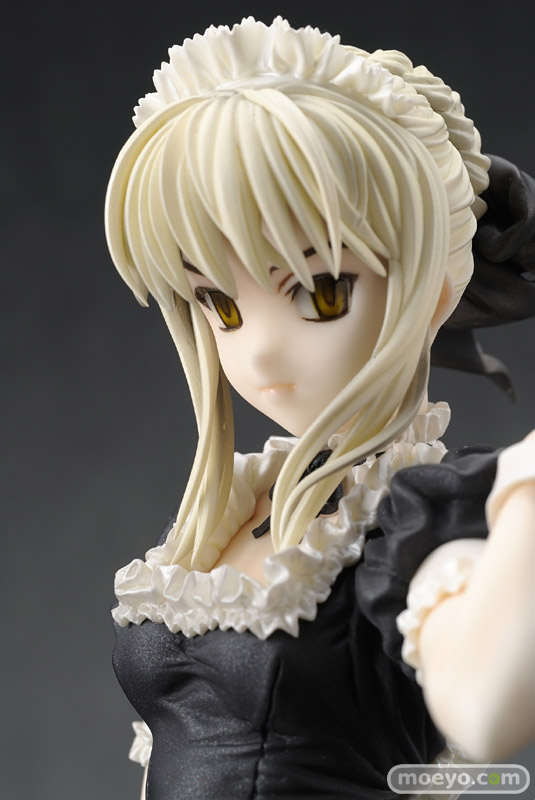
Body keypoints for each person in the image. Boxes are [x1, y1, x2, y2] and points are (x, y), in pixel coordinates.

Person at [105, 17, 535, 799]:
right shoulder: (233, 511)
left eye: (321, 292)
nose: (260, 353)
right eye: (219, 304)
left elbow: (481, 713)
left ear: (434, 293)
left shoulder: (414, 517)